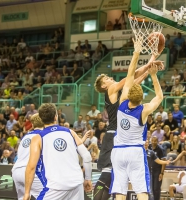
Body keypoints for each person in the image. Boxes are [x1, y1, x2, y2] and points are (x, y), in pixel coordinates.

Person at [93, 40, 163, 200]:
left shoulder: (123, 97)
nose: (111, 79)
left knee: (114, 180)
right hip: (115, 134)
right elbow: (129, 77)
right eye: (108, 79)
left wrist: (152, 60)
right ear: (104, 86)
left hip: (121, 138)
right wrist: (148, 63)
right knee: (107, 175)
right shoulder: (111, 90)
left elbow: (137, 76)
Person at [23, 103, 92, 200]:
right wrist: (88, 178)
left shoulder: (38, 138)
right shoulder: (70, 132)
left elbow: (31, 167)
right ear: (56, 117)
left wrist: (27, 192)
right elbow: (87, 157)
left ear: (41, 119)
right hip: (77, 184)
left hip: (56, 187)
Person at [12, 114, 44, 200]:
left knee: (24, 198)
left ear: (32, 125)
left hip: (16, 170)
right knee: (48, 196)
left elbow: (19, 154)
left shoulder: (25, 137)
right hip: (30, 171)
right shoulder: (43, 135)